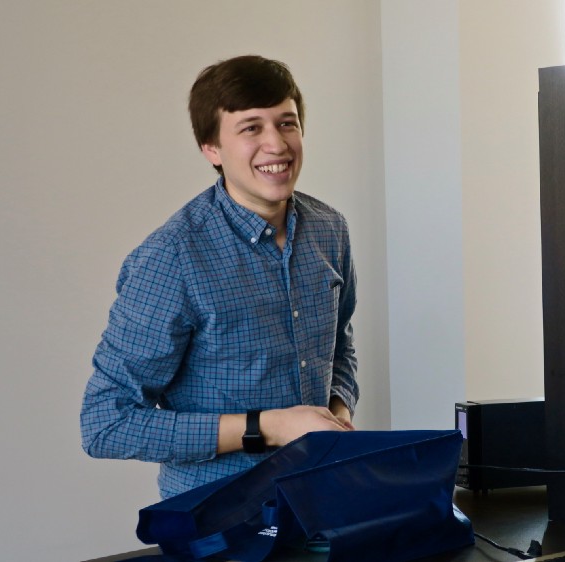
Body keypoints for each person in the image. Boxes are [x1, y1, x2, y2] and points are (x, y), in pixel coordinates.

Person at [81, 55, 358, 499]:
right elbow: (105, 423)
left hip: (320, 500)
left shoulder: (331, 228)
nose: (277, 144)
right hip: (220, 519)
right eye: (251, 128)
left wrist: (336, 412)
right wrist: (268, 427)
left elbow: (340, 345)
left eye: (287, 123)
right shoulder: (170, 258)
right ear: (211, 148)